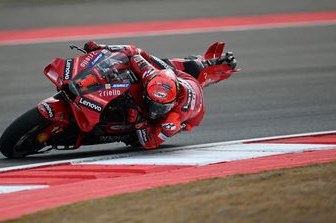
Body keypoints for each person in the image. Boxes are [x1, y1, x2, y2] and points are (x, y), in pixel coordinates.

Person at [83, 40, 237, 149]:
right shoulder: (149, 73)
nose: (153, 110)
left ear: (171, 104)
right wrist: (102, 48)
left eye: (159, 107)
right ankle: (209, 62)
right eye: (151, 103)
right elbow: (132, 51)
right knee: (182, 65)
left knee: (139, 137)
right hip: (179, 78)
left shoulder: (173, 119)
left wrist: (139, 122)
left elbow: (150, 143)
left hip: (192, 115)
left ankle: (219, 67)